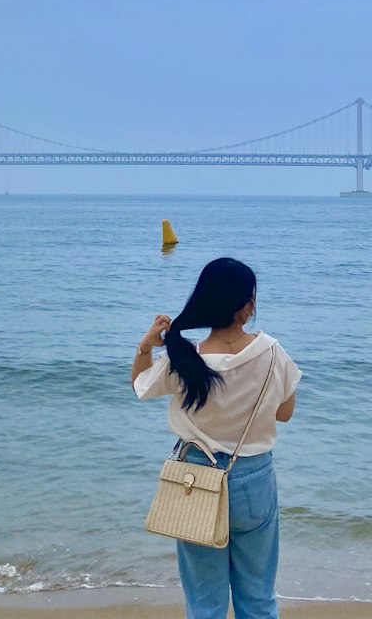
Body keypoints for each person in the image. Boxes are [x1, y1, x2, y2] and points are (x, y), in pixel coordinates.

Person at [132, 257, 301, 619]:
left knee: (204, 601)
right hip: (253, 479)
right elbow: (284, 414)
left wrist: (145, 347)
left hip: (196, 479)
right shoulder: (273, 352)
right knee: (257, 596)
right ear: (248, 307)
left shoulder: (184, 359)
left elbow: (140, 386)